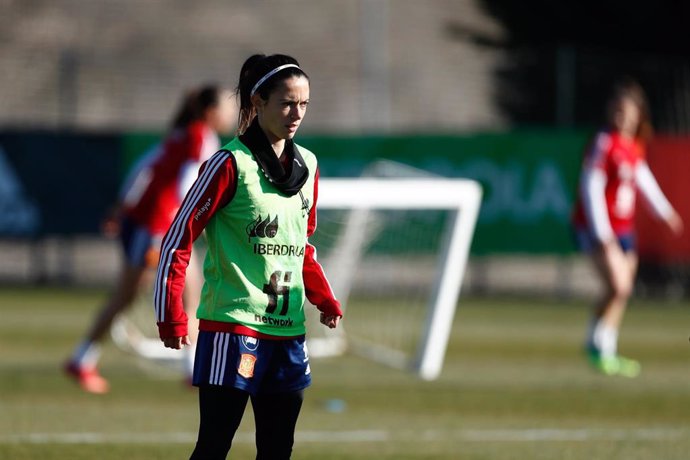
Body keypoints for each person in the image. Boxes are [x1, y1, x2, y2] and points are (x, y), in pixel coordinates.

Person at [154, 53, 343, 460]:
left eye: (304, 104)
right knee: (214, 446)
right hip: (234, 328)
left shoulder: (308, 164)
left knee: (278, 449)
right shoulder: (229, 164)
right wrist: (172, 313)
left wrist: (323, 297)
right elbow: (177, 239)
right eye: (287, 103)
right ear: (258, 103)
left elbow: (301, 245)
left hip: (289, 331)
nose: (296, 113)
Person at [64, 85, 236, 393]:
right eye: (228, 106)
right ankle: (81, 359)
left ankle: (192, 370)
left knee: (189, 295)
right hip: (159, 228)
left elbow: (144, 168)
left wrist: (122, 206)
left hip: (157, 226)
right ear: (212, 113)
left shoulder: (182, 134)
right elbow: (186, 181)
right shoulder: (201, 137)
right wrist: (183, 222)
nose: (233, 112)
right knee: (130, 295)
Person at [572, 78, 683, 378]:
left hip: (624, 229)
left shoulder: (634, 146)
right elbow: (591, 186)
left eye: (628, 112)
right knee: (619, 286)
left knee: (621, 291)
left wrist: (665, 212)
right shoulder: (603, 143)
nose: (622, 117)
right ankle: (597, 345)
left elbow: (642, 180)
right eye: (618, 111)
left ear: (638, 114)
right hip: (599, 229)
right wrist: (602, 233)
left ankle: (605, 346)